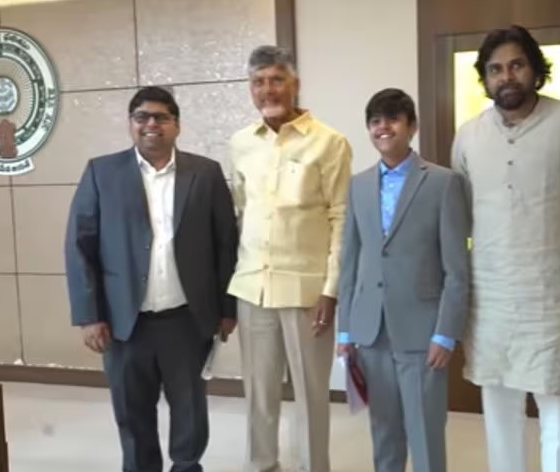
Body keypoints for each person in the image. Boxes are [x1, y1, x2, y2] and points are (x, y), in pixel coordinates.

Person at [451, 25, 560, 472]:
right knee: (499, 410)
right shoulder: (468, 135)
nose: (507, 76)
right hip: (492, 297)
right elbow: (461, 216)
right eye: (495, 69)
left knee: (557, 412)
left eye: (516, 65)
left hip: (556, 299)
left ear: (535, 69)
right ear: (485, 79)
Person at [64, 86, 238, 472]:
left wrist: (227, 309)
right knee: (133, 417)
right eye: (141, 117)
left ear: (177, 125)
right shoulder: (101, 173)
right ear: (130, 124)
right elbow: (79, 246)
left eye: (161, 117)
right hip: (125, 324)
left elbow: (226, 243)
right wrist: (89, 315)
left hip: (186, 320)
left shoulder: (206, 173)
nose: (151, 124)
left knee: (190, 414)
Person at [228, 45, 352, 472]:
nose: (268, 90)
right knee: (258, 394)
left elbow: (341, 219)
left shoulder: (330, 143)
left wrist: (331, 290)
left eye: (277, 79)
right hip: (252, 288)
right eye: (258, 82)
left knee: (312, 396)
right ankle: (261, 465)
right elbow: (241, 211)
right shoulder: (241, 144)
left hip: (307, 293)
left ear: (295, 84)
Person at [337, 88, 470, 472]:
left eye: (393, 119)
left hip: (422, 333)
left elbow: (457, 268)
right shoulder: (358, 185)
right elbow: (350, 262)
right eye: (375, 121)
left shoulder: (443, 183)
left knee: (425, 433)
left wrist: (446, 333)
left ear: (412, 127)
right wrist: (346, 331)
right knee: (384, 434)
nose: (384, 127)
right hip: (371, 330)